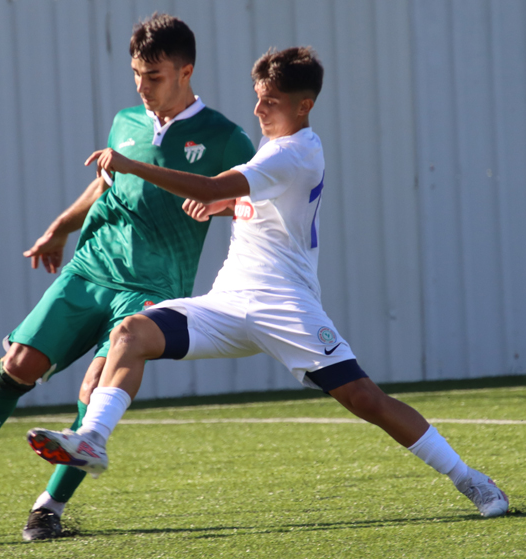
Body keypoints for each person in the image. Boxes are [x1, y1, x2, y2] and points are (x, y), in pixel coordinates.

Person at [27, 46, 510, 519]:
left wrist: (135, 166)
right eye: (258, 98)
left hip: (286, 306)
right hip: (228, 302)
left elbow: (215, 185)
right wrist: (229, 205)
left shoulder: (296, 152)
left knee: (366, 399)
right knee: (130, 333)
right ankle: (93, 440)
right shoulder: (275, 147)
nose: (258, 109)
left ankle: (470, 478)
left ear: (304, 106)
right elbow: (253, 198)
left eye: (270, 101)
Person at [0, 13, 255, 541]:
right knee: (19, 364)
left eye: (153, 75)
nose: (142, 86)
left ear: (186, 71)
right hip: (91, 268)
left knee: (95, 389)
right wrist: (58, 229)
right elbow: (104, 186)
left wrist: (224, 205)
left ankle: (48, 508)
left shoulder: (225, 138)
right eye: (136, 73)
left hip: (153, 286)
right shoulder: (126, 122)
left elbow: (261, 199)